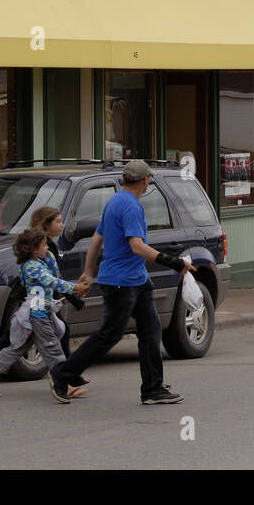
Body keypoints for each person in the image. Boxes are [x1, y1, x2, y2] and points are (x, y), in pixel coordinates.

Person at [50, 160, 189, 405]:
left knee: (150, 330)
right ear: (145, 180)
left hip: (137, 280)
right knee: (109, 335)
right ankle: (62, 373)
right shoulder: (131, 207)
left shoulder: (113, 201)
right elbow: (137, 246)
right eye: (149, 179)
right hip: (121, 282)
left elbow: (96, 239)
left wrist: (89, 271)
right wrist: (174, 262)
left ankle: (152, 388)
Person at [0, 206, 83, 392]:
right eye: (58, 221)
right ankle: (65, 382)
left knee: (17, 345)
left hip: (37, 305)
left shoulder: (44, 248)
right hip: (35, 306)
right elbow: (50, 279)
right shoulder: (40, 254)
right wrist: (74, 290)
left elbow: (53, 279)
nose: (62, 224)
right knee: (51, 344)